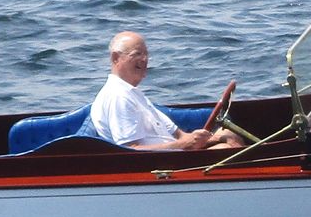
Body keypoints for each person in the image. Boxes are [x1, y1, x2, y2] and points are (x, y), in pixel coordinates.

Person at [89, 32, 238, 151]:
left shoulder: (133, 94)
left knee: (228, 134)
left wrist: (197, 140)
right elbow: (130, 150)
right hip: (160, 166)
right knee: (226, 148)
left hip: (174, 154)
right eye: (137, 54)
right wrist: (183, 145)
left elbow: (180, 136)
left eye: (146, 54)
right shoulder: (118, 96)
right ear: (116, 58)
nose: (145, 59)